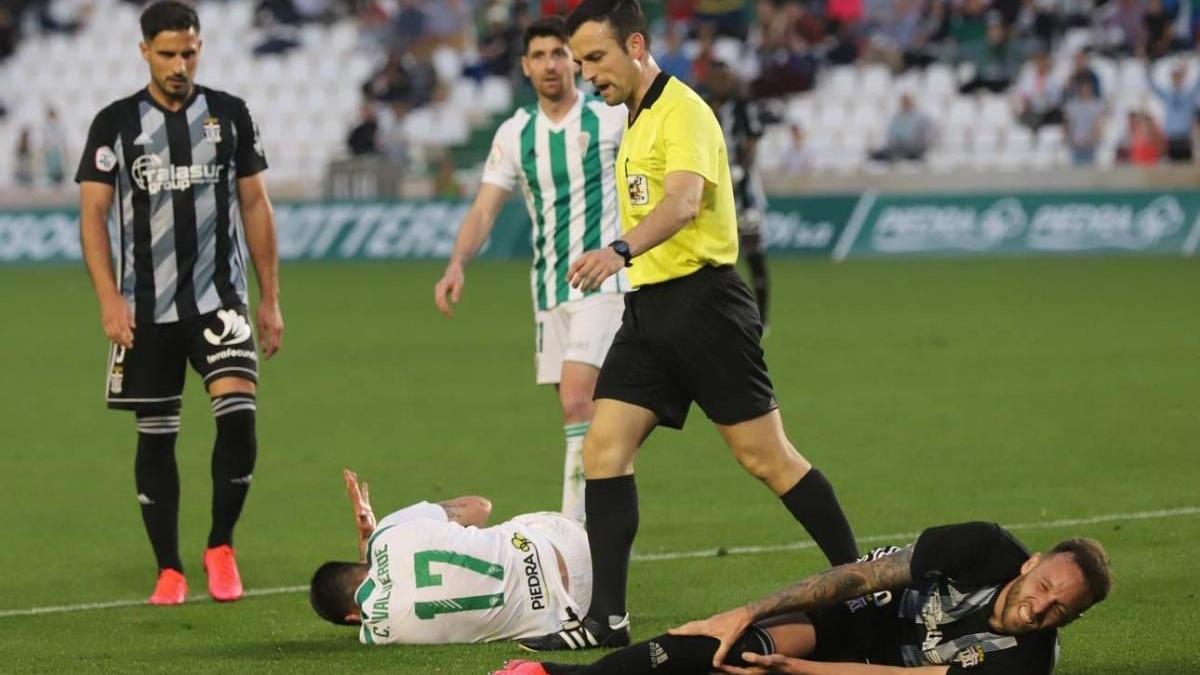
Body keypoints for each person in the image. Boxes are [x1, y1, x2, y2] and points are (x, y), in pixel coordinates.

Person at [518, 0, 858, 652]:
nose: (588, 74)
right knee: (603, 449)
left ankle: (861, 577)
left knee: (765, 456)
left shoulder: (685, 111)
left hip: (706, 306)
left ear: (636, 45)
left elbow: (681, 201)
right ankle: (606, 619)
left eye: (597, 58)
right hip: (648, 312)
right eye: (581, 61)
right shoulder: (633, 119)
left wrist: (617, 249)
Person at [75, 0, 284, 606]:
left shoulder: (230, 114)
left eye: (189, 51)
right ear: (144, 51)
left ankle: (221, 545)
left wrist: (270, 298)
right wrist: (109, 299)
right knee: (157, 435)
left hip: (220, 300)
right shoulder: (114, 123)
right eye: (167, 53)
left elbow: (256, 206)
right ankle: (168, 567)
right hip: (146, 309)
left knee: (239, 417)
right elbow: (93, 216)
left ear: (200, 47)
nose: (179, 64)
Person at [434, 16, 629, 525]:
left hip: (605, 284)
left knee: (576, 403)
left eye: (560, 54)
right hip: (548, 292)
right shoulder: (516, 133)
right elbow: (483, 210)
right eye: (539, 55)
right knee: (588, 421)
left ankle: (573, 536)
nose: (550, 64)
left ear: (576, 61)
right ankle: (611, 504)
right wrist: (457, 262)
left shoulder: (609, 118)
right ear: (525, 66)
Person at [497, 522, 1112, 675]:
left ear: (1074, 619)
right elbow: (867, 578)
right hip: (870, 615)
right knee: (730, 647)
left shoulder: (1027, 662)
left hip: (886, 669)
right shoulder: (982, 546)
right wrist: (746, 612)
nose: (1041, 606)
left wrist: (802, 671)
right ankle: (547, 673)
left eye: (1062, 609)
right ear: (1031, 565)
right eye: (1044, 587)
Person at [310, 470, 592, 645]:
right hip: (566, 543)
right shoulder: (388, 531)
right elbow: (480, 507)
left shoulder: (379, 635)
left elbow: (381, 600)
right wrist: (373, 538)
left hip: (571, 609)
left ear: (351, 618)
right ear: (357, 564)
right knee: (489, 535)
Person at [706, 61, 770, 330]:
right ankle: (719, 312)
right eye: (718, 77)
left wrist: (741, 170)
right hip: (711, 194)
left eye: (726, 77)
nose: (723, 82)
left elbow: (752, 142)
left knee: (753, 252)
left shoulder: (742, 108)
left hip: (744, 193)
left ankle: (763, 318)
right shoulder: (701, 106)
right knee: (713, 257)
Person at [1144, 60, 1200, 162]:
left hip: (1184, 139)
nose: (1176, 79)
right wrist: (1145, 65)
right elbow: (1152, 85)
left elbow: (1198, 83)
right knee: (1173, 172)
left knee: (1186, 171)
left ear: (1182, 78)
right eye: (1174, 76)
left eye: (1178, 76)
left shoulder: (1188, 95)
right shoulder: (1167, 95)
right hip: (1170, 140)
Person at [869, 93, 933, 162]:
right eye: (903, 102)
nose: (905, 104)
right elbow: (891, 135)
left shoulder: (921, 117)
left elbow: (924, 136)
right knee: (879, 153)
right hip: (897, 146)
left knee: (902, 153)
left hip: (913, 147)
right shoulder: (897, 117)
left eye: (907, 102)